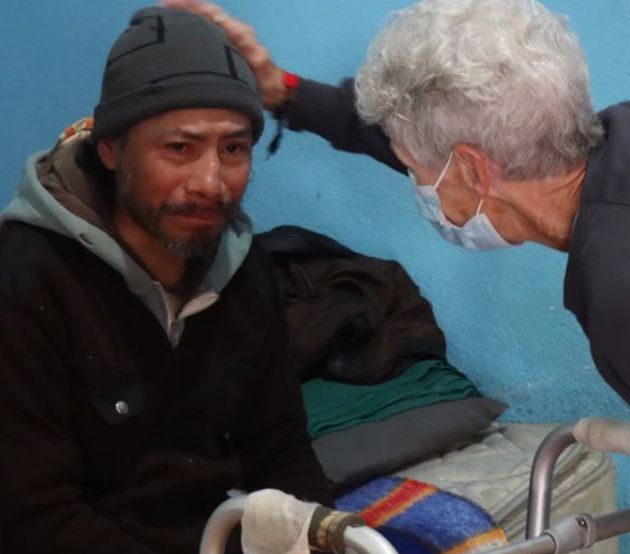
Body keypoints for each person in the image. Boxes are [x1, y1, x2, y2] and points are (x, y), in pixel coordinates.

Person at [0, 6, 339, 554]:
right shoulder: (25, 281)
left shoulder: (242, 268)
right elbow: (31, 525)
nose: (211, 181)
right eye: (180, 148)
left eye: (233, 150)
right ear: (110, 149)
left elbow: (281, 450)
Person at [166, 0, 630, 408]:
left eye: (415, 168)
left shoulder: (617, 294)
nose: (415, 180)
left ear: (471, 170)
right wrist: (282, 89)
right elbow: (414, 136)